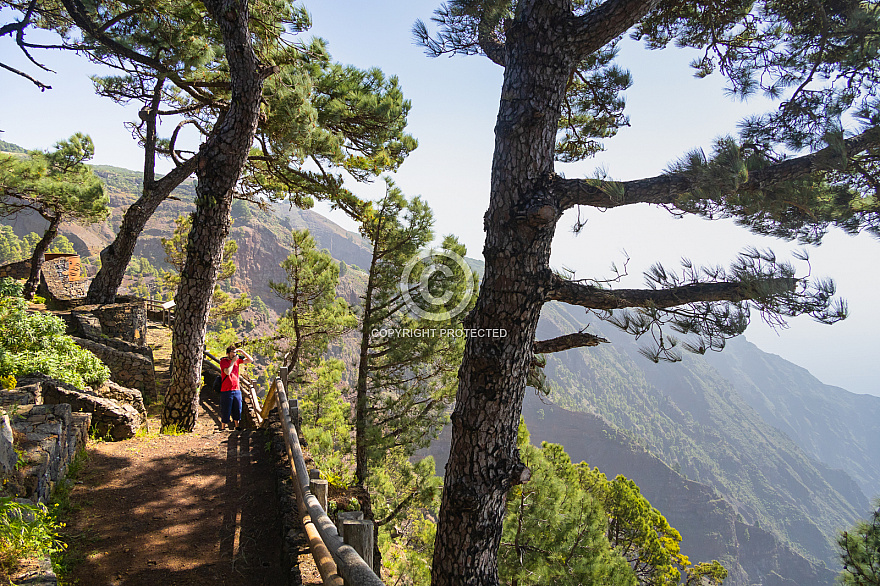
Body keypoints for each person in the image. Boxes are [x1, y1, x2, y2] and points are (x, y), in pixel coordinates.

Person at [218, 345, 253, 431]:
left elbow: (250, 360)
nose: (234, 355)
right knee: (226, 408)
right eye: (232, 353)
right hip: (226, 390)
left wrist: (242, 352)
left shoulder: (237, 361)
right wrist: (232, 362)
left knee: (237, 408)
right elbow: (227, 372)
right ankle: (223, 427)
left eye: (235, 353)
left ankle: (237, 426)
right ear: (228, 354)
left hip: (236, 389)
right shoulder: (223, 361)